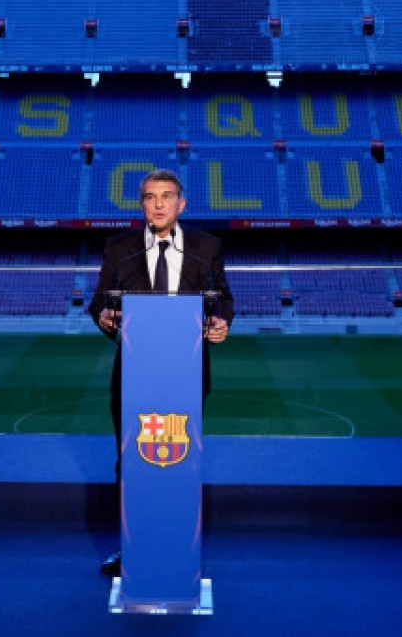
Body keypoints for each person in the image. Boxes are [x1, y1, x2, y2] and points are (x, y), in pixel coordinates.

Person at [86, 168, 233, 576]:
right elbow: (99, 301)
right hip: (134, 375)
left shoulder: (206, 247)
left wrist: (221, 321)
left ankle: (178, 544)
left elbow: (222, 298)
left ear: (180, 204)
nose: (158, 204)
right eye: (150, 197)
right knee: (132, 461)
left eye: (166, 196)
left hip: (186, 374)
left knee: (181, 461)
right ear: (142, 205)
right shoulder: (120, 249)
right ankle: (131, 546)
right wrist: (104, 317)